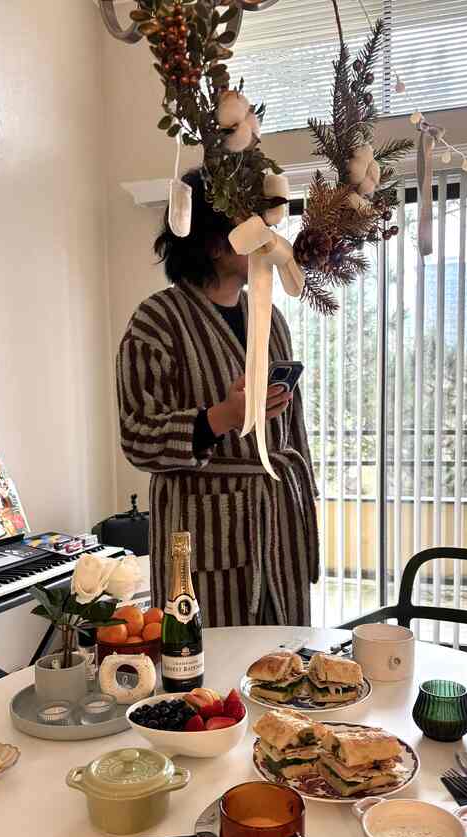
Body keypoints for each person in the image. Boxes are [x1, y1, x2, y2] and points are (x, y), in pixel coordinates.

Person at [116, 168, 319, 627]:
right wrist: (219, 418)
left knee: (282, 661)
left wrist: (306, 498)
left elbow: (293, 427)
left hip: (279, 519)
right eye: (254, 231)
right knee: (210, 671)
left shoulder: (269, 317)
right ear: (213, 243)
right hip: (205, 530)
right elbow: (136, 437)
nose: (268, 243)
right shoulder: (156, 322)